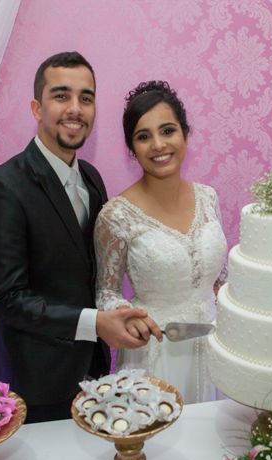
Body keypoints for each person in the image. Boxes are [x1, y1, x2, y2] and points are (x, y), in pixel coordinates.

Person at [0, 52, 161, 423]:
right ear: (37, 107)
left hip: (94, 373)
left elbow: (91, 271)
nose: (75, 108)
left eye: (85, 98)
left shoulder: (91, 177)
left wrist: (118, 314)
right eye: (61, 95)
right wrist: (96, 323)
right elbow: (7, 299)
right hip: (35, 383)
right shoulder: (2, 186)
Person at [93, 81, 228, 403]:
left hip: (218, 346)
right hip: (156, 352)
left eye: (167, 131)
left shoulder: (208, 198)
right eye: (143, 136)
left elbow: (215, 278)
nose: (158, 144)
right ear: (132, 148)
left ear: (184, 134)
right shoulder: (115, 216)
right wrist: (126, 317)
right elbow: (106, 293)